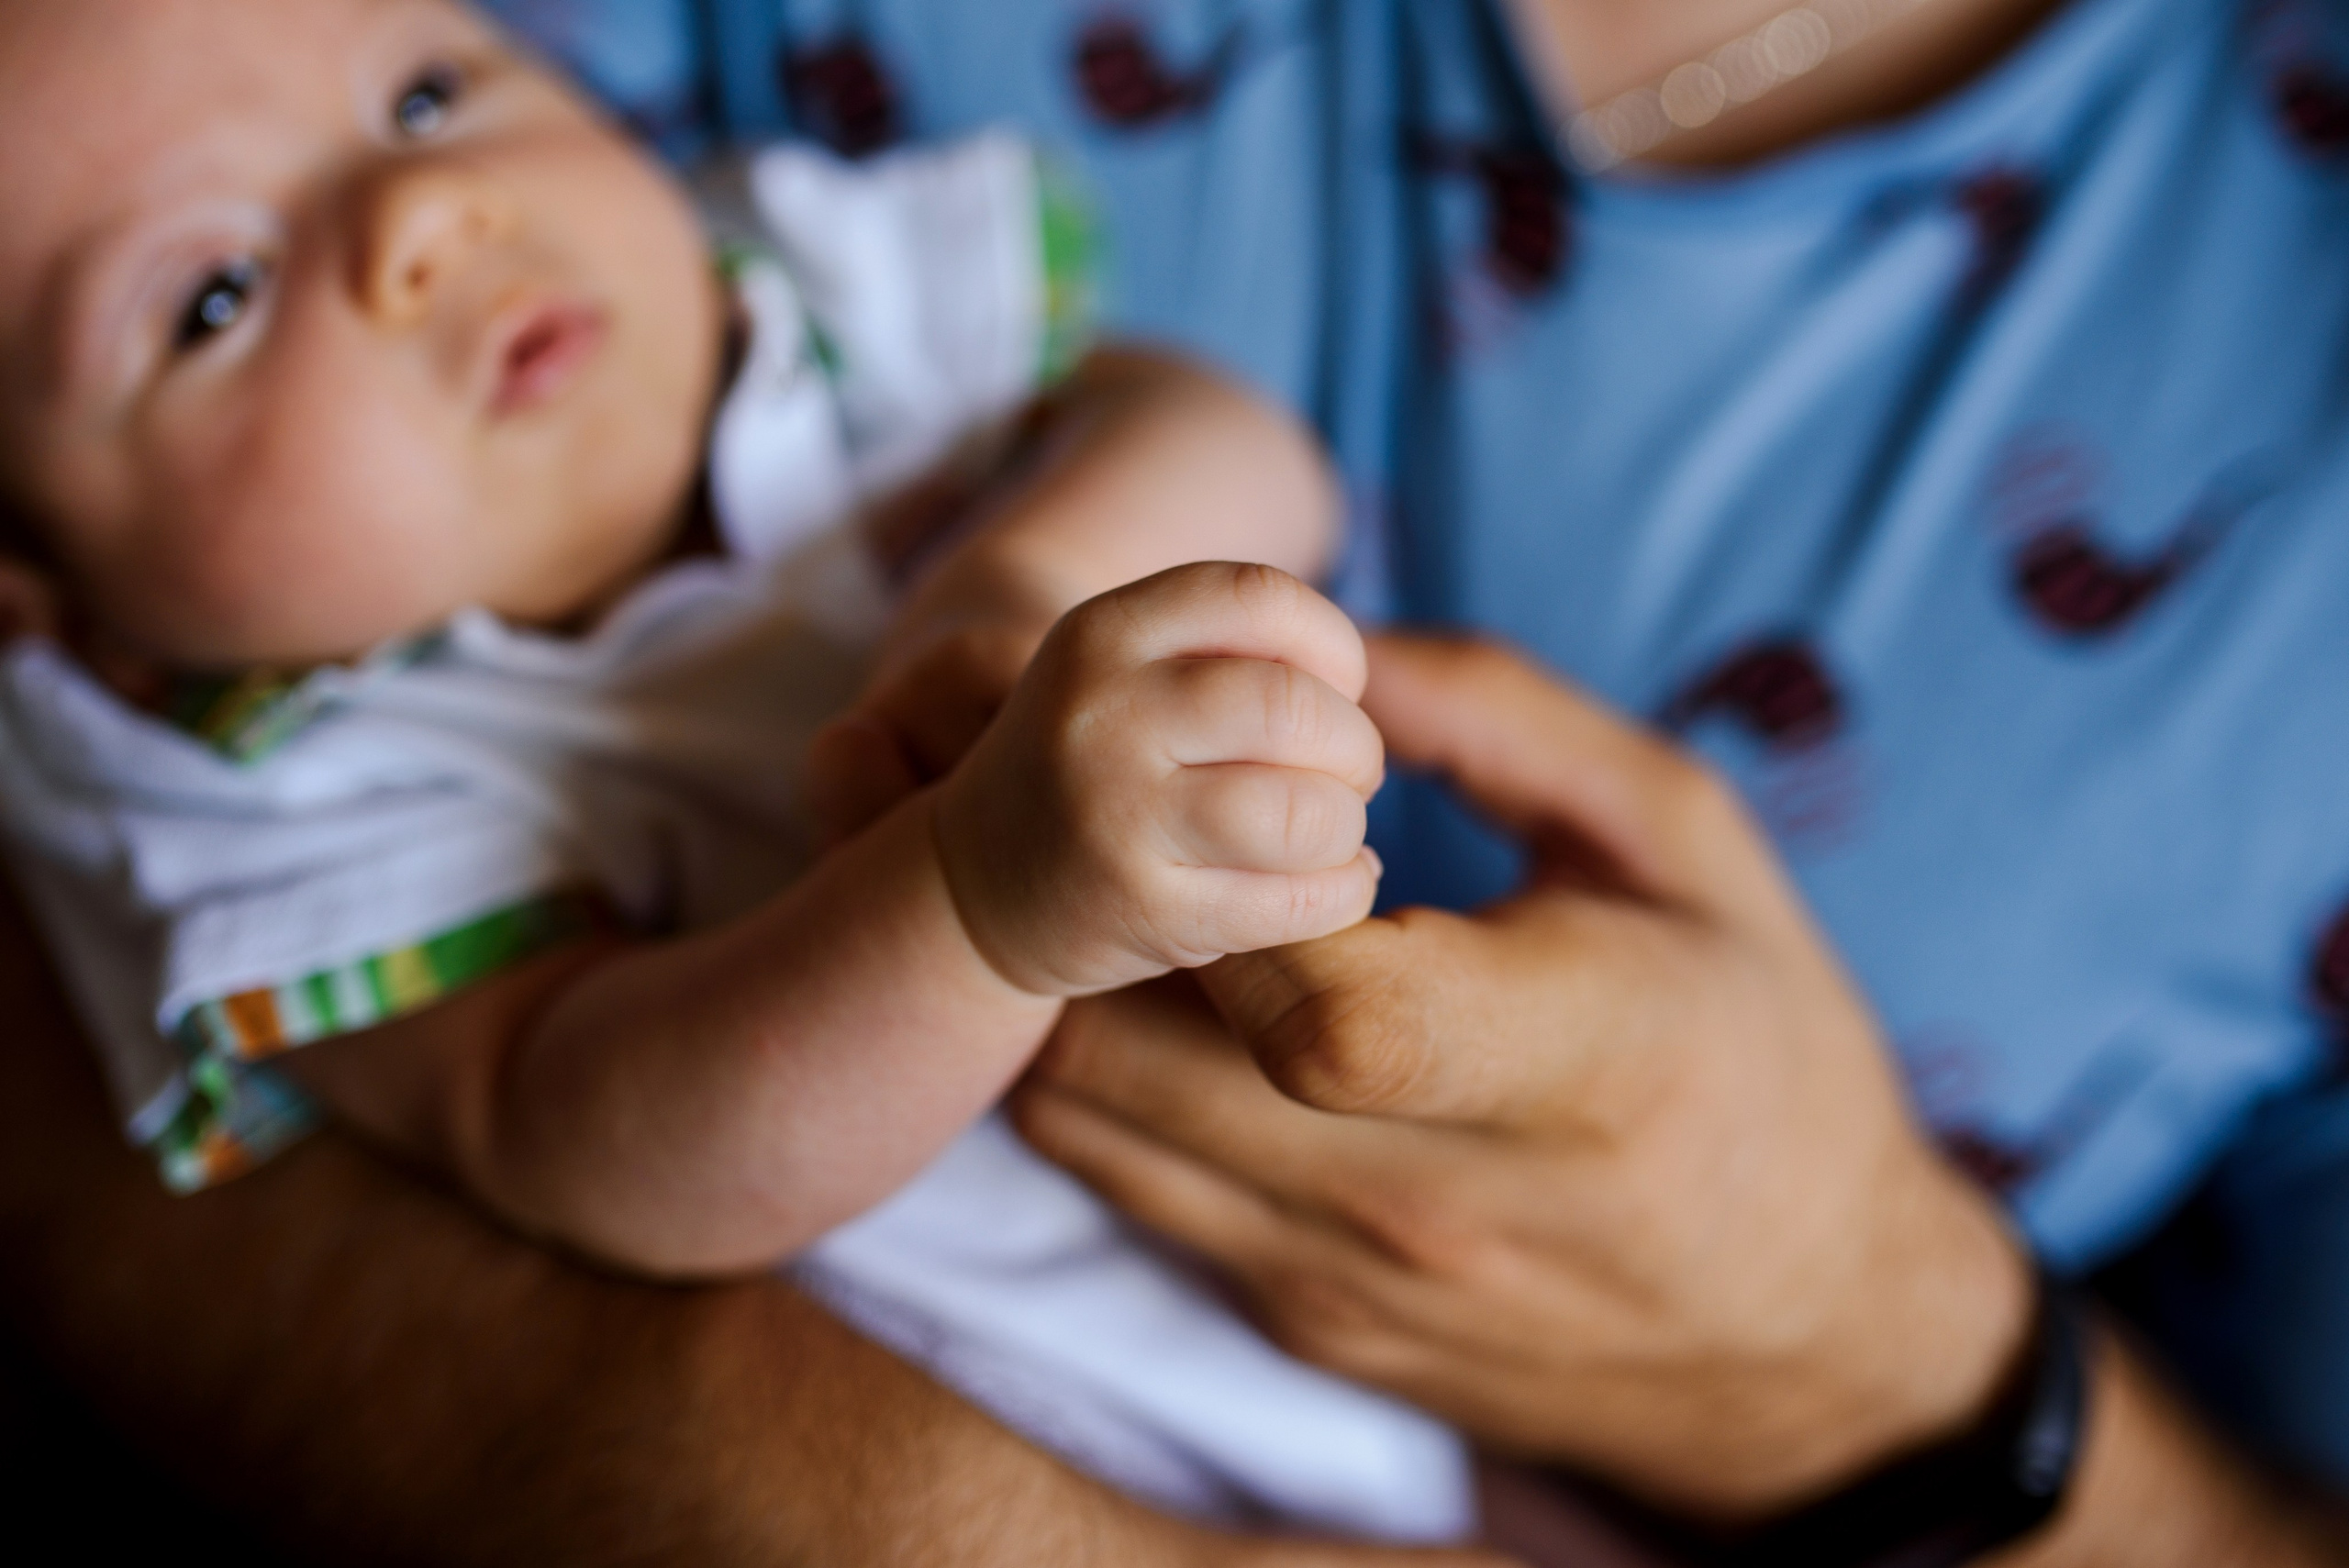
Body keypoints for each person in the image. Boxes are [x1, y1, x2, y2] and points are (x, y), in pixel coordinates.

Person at [0, 0, 1510, 1542]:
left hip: (1446, 1300)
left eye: (428, 91)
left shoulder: (811, 296)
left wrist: (1031, 571)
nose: (418, 214)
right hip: (1066, 1476)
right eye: (217, 295)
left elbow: (1227, 436)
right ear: (46, 601)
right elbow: (590, 1137)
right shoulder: (290, 789)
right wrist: (975, 909)